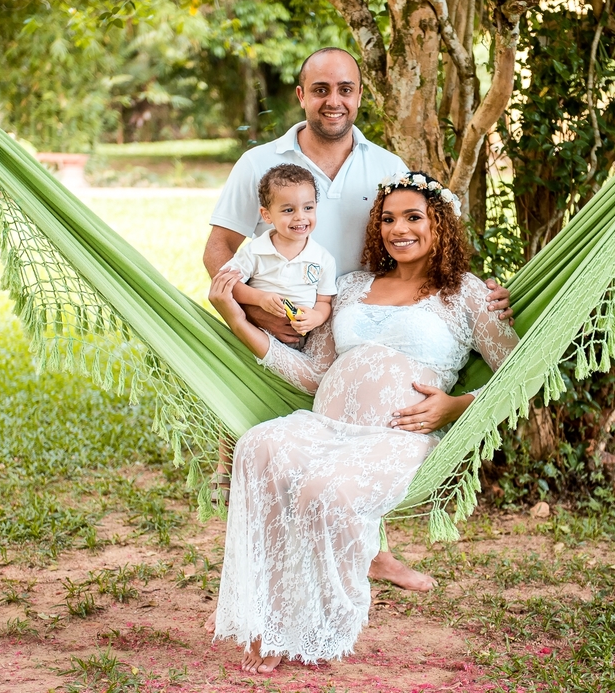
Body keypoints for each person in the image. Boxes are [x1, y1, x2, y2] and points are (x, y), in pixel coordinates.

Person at [203, 46, 512, 591]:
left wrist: (471, 315)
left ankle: (369, 553)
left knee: (341, 468)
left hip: (366, 315)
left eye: (345, 89)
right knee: (271, 453)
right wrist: (253, 308)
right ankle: (276, 597)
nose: (333, 100)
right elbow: (220, 249)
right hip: (293, 322)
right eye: (320, 89)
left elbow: (514, 368)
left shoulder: (387, 168)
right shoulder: (260, 166)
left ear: (360, 95)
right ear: (300, 96)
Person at [207, 172, 519, 672]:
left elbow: (518, 377)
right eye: (389, 219)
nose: (399, 229)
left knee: (324, 492)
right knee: (257, 447)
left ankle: (308, 628)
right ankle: (264, 615)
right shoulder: (351, 288)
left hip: (393, 438)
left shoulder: (467, 295)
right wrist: (237, 321)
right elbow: (313, 374)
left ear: (439, 224)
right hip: (324, 426)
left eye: (414, 217)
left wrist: (457, 405)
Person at [221, 163, 336, 340]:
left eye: (308, 208)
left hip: (302, 340)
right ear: (267, 215)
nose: (300, 217)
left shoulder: (323, 259)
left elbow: (324, 301)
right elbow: (229, 286)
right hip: (257, 335)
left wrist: (317, 317)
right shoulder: (255, 251)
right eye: (289, 210)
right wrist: (260, 299)